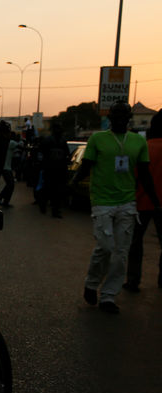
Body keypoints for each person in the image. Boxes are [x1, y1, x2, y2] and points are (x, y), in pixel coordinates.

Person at [72, 101, 161, 313]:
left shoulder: (138, 142)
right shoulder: (98, 139)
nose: (120, 118)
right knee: (105, 247)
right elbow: (86, 166)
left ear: (128, 118)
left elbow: (145, 174)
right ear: (110, 118)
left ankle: (109, 296)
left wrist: (155, 202)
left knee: (121, 253)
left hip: (127, 203)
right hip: (102, 201)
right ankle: (92, 283)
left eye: (124, 115)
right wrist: (71, 185)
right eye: (116, 115)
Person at [125, 111, 162, 292]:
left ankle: (133, 280)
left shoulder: (145, 148)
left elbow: (134, 177)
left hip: (141, 203)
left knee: (135, 243)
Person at [36, 123, 69, 217]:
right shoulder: (48, 141)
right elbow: (41, 153)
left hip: (59, 169)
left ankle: (55, 210)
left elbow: (66, 155)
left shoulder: (63, 141)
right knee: (48, 188)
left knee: (58, 191)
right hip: (50, 169)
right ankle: (44, 204)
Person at [0, 132, 23, 207]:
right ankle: (0, 197)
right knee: (10, 184)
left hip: (5, 167)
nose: (16, 137)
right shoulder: (12, 142)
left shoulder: (5, 143)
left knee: (10, 184)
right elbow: (21, 148)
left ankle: (5, 201)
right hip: (6, 167)